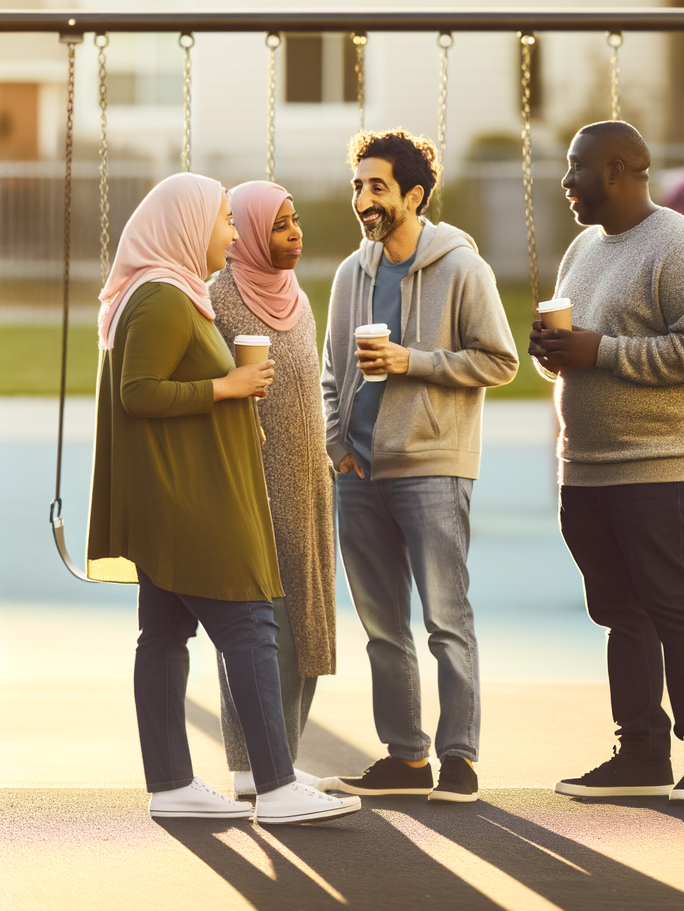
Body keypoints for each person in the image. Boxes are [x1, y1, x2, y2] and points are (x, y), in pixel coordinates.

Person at [89, 172, 359, 825]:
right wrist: (227, 389)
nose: (233, 232)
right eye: (224, 220)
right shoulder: (161, 297)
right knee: (251, 624)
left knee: (164, 633)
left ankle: (173, 784)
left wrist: (231, 392)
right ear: (187, 226)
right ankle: (275, 787)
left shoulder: (172, 292)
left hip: (174, 496)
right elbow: (139, 391)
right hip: (191, 501)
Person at [531, 121, 684, 805]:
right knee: (621, 612)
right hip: (585, 465)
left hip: (660, 465)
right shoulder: (584, 248)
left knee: (671, 604)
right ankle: (642, 751)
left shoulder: (680, 246)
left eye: (578, 168)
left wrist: (601, 352)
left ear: (621, 170)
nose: (566, 182)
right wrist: (553, 353)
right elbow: (577, 351)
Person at [320, 129, 518, 803]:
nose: (363, 199)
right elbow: (329, 375)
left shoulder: (463, 269)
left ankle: (458, 758)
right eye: (357, 186)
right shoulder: (353, 274)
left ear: (413, 194)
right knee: (382, 627)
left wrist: (414, 361)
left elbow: (499, 360)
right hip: (360, 474)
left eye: (377, 187)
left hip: (433, 467)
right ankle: (406, 759)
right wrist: (335, 446)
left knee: (445, 621)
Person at [208, 181, 337, 799]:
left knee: (306, 619)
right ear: (254, 232)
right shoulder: (218, 297)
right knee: (259, 622)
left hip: (308, 480)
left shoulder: (297, 298)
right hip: (252, 479)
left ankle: (280, 757)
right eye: (281, 225)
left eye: (296, 220)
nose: (295, 234)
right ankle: (251, 763)